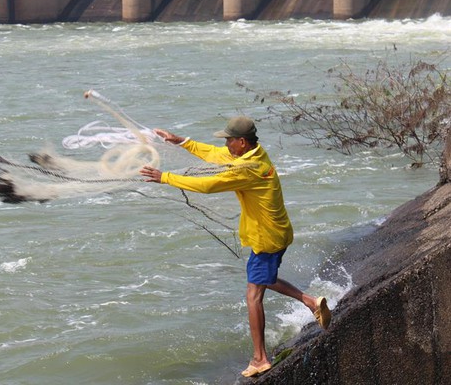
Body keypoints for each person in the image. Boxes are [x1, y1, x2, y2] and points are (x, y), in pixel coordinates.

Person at [139, 116, 331, 378]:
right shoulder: (254, 154)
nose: (226, 144)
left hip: (267, 239)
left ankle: (260, 358)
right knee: (264, 279)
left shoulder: (248, 169)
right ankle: (311, 302)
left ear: (241, 142)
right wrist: (182, 141)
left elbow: (209, 185)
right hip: (275, 233)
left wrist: (166, 178)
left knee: (253, 295)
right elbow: (216, 154)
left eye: (229, 140)